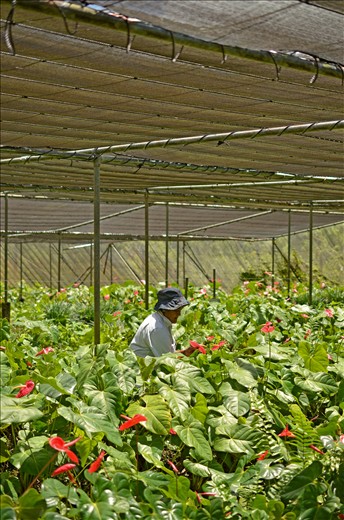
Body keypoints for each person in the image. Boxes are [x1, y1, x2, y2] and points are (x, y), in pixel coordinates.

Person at [130, 287, 197, 358]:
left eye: (179, 310)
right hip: (142, 368)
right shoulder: (158, 328)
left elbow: (168, 354)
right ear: (165, 309)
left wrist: (185, 353)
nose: (179, 314)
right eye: (176, 310)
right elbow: (166, 361)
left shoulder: (159, 320)